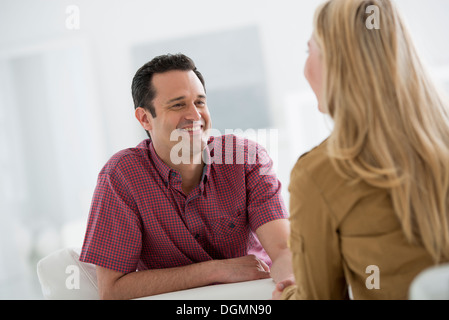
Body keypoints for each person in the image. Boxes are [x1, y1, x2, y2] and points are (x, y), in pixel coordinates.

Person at [273, 0, 449, 300]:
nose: (305, 68)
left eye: (309, 51)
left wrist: (288, 294)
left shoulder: (319, 174)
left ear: (337, 62)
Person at [79, 53, 292, 299]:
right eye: (178, 104)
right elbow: (112, 289)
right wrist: (215, 271)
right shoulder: (121, 177)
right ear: (145, 118)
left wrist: (293, 287)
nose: (195, 115)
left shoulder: (245, 158)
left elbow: (283, 250)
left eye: (200, 102)